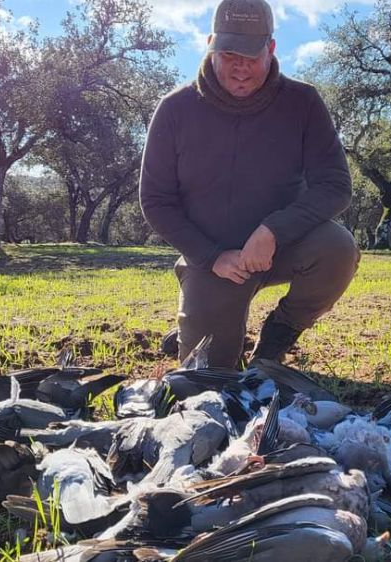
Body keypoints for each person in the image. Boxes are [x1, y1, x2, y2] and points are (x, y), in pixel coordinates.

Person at [139, 0, 360, 369]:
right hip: (214, 260)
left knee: (338, 248)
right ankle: (196, 319)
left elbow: (336, 184)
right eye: (229, 54)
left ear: (271, 49)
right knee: (208, 375)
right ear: (210, 44)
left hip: (280, 246)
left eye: (252, 56)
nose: (241, 68)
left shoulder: (303, 102)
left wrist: (274, 230)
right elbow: (156, 200)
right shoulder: (174, 109)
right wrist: (210, 257)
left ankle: (276, 338)